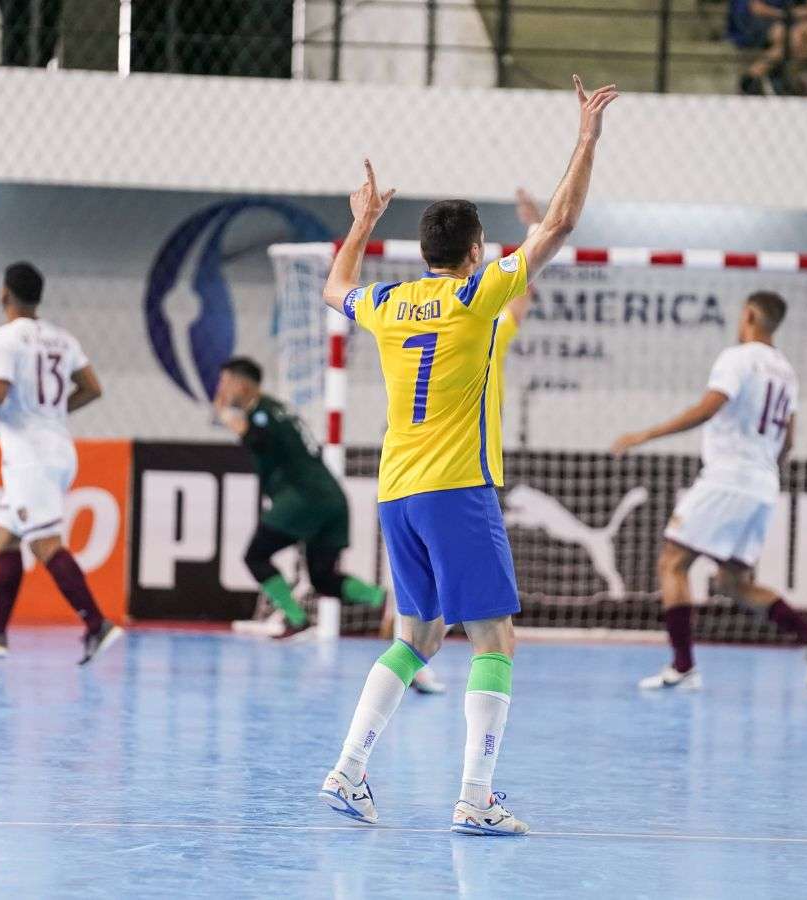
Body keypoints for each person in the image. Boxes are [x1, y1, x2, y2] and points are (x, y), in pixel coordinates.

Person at [317, 75, 618, 836]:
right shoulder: (475, 296)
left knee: (415, 638)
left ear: (422, 252)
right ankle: (475, 798)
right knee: (494, 637)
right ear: (475, 251)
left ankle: (349, 771)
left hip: (395, 491)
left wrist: (361, 222)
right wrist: (585, 140)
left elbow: (335, 287)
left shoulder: (388, 304)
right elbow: (560, 224)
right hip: (457, 488)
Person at [611, 291, 807, 690]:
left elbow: (711, 406)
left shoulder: (738, 358)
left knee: (672, 562)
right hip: (764, 482)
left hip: (728, 476)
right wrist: (761, 467)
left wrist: (646, 433)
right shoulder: (786, 371)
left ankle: (683, 668)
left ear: (749, 314)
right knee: (731, 582)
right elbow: (789, 441)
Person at [402, 188, 541, 697]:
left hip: (402, 466)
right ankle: (476, 780)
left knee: (415, 602)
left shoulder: (399, 305)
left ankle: (407, 661)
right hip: (458, 472)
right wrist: (532, 229)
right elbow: (521, 297)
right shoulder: (483, 322)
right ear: (476, 252)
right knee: (495, 636)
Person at [0, 262, 121, 665]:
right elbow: (93, 388)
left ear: (4, 293)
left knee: (46, 544)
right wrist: (54, 414)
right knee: (5, 536)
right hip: (58, 447)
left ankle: (97, 624)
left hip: (30, 458)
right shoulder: (62, 339)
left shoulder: (2, 339)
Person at [213, 357, 386, 639]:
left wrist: (232, 421)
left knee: (256, 555)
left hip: (306, 499)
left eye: (224, 382)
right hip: (332, 499)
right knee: (323, 578)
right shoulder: (278, 410)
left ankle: (296, 619)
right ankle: (382, 599)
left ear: (241, 385)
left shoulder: (262, 413)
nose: (220, 389)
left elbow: (257, 439)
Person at [731, 0, 807, 95]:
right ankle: (751, 77)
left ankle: (790, 76)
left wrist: (804, 11)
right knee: (794, 37)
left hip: (789, 22)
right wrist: (787, 14)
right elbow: (757, 9)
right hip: (755, 22)